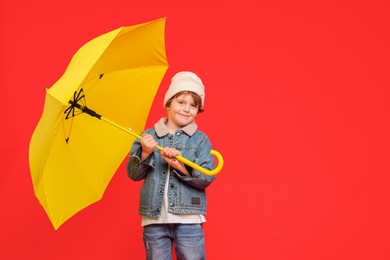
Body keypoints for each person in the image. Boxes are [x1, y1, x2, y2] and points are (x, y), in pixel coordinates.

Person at [127, 71, 217, 260]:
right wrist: (145, 152)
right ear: (168, 103)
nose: (187, 109)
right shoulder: (148, 137)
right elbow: (134, 174)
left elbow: (206, 178)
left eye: (193, 105)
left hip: (189, 220)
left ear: (198, 110)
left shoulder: (200, 140)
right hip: (154, 219)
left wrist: (180, 165)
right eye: (181, 102)